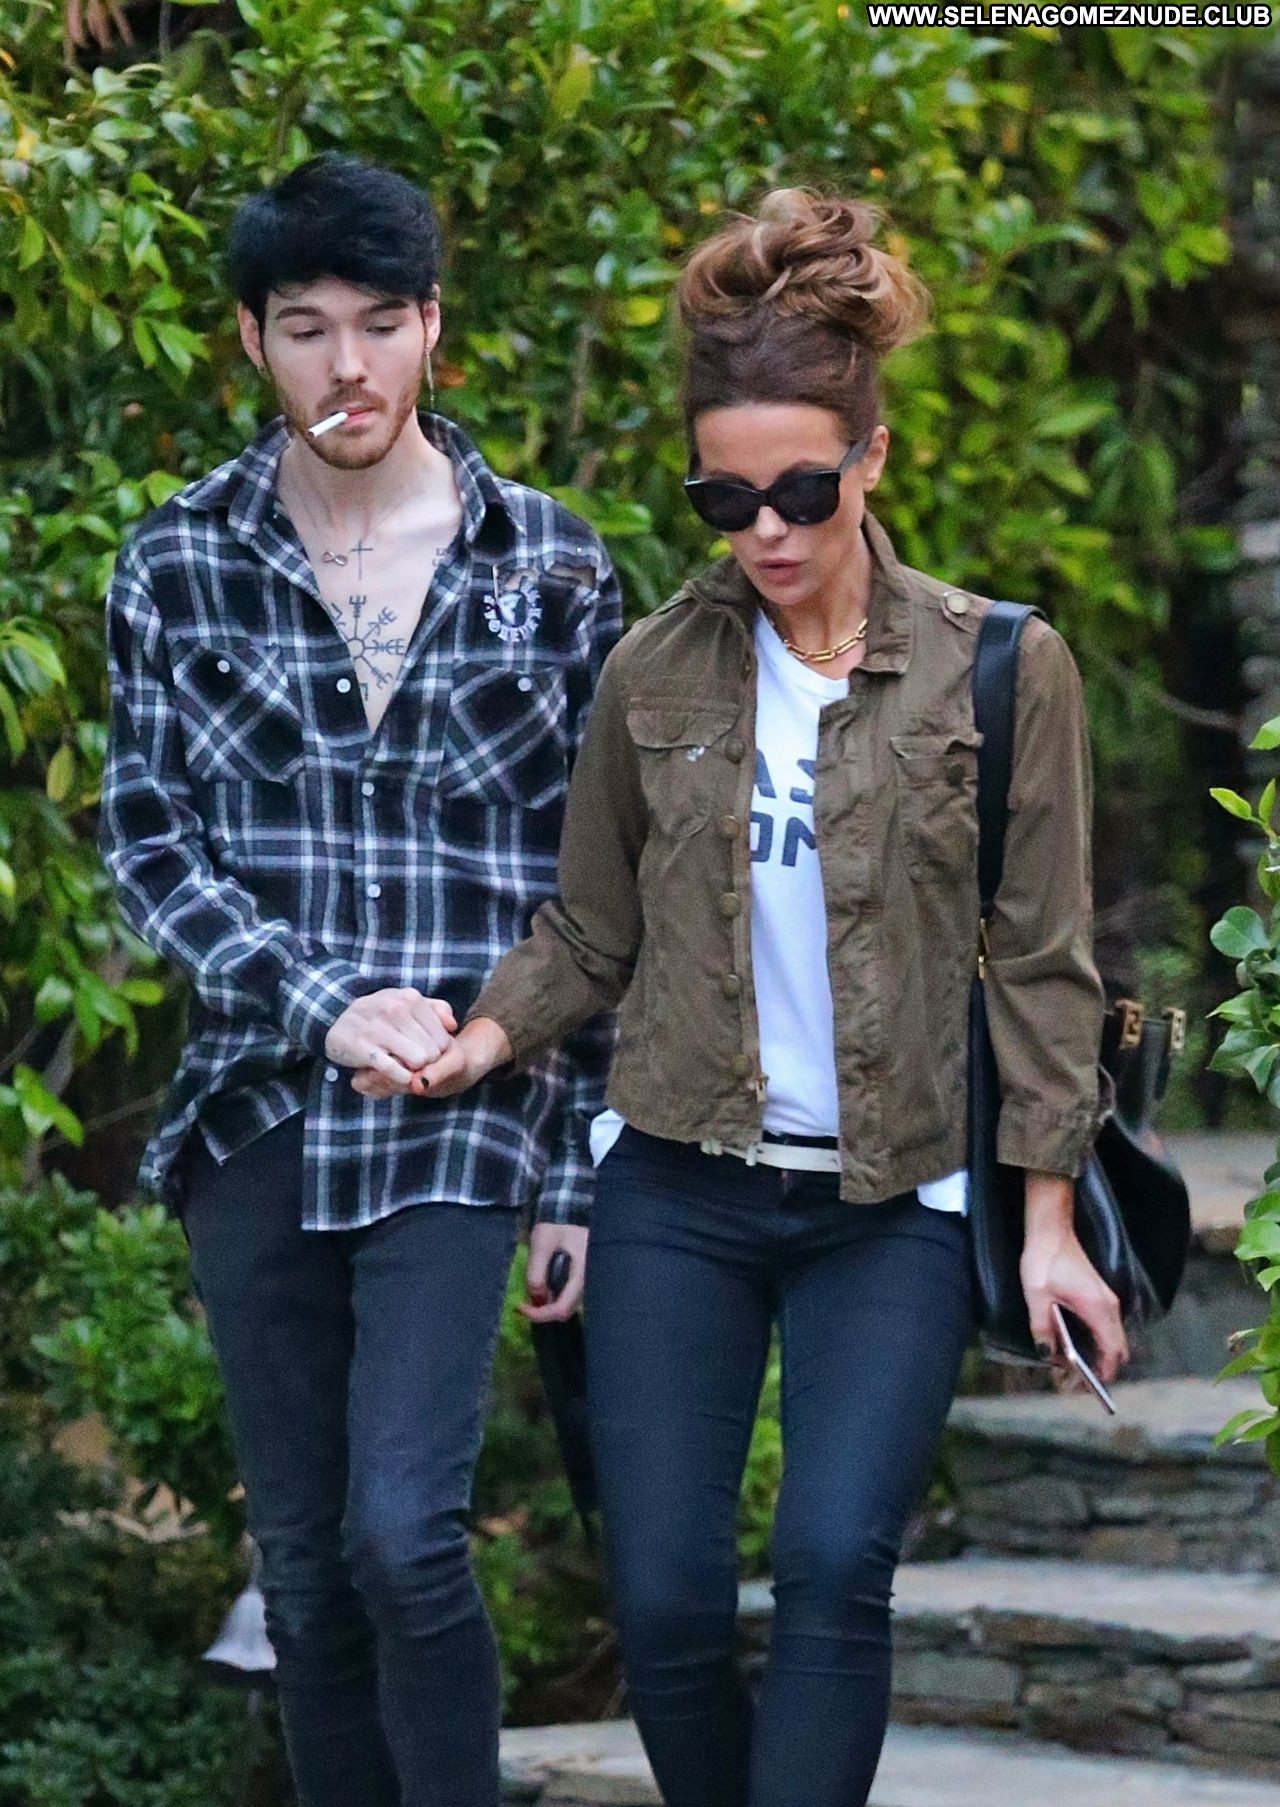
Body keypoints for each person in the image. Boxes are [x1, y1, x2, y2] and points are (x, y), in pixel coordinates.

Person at [357, 189, 1129, 1807]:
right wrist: (473, 1039)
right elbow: (591, 929)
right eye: (726, 497)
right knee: (664, 1604)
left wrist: (1047, 1220)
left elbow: (1047, 963)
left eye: (799, 490)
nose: (767, 531)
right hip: (680, 1189)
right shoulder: (653, 671)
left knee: (837, 1565)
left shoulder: (1000, 668)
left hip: (891, 1203)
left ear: (871, 458)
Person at [98, 154, 621, 1807]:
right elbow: (148, 848)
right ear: (251, 340)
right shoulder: (175, 562)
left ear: (433, 329)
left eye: (381, 324)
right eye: (307, 327)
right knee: (308, 1571)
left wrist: (578, 1173)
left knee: (405, 1534)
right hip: (259, 1104)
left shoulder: (554, 568)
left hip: (468, 1104)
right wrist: (320, 1002)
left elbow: (604, 892)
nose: (348, 365)